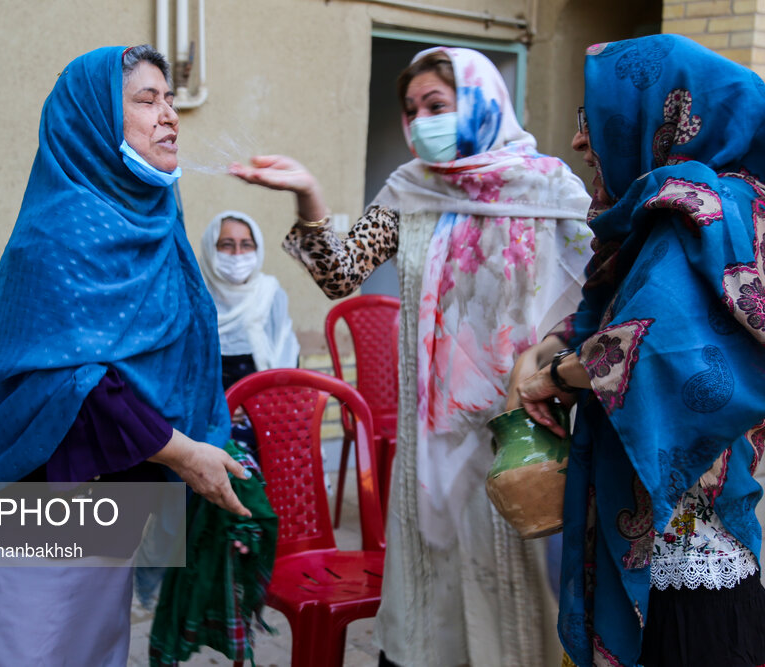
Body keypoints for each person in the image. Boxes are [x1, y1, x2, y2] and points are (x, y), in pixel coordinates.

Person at [232, 47, 592, 666]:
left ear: (480, 102)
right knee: (431, 596)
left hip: (524, 429)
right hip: (433, 438)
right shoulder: (410, 191)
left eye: (437, 105)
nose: (421, 119)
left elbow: (597, 298)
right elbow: (342, 274)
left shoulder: (552, 188)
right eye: (411, 109)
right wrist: (309, 195)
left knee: (521, 589)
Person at [0, 45, 252, 665]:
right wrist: (186, 455)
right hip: (13, 505)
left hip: (101, 501)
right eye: (146, 101)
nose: (169, 116)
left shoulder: (154, 223)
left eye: (171, 99)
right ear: (92, 122)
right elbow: (78, 387)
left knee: (88, 649)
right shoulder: (57, 233)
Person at [512, 34, 765, 666]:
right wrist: (548, 345)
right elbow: (627, 307)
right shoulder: (665, 216)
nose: (579, 141)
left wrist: (558, 376)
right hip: (671, 557)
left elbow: (661, 349)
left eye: (595, 117)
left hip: (683, 573)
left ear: (665, 114)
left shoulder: (707, 212)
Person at [198, 210, 300, 390]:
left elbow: (285, 352)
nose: (237, 253)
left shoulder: (269, 292)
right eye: (227, 244)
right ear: (210, 248)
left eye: (246, 244)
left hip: (263, 401)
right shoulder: (196, 295)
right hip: (207, 405)